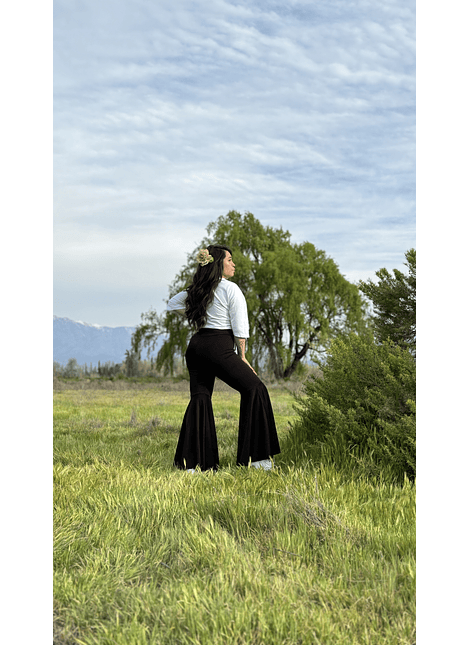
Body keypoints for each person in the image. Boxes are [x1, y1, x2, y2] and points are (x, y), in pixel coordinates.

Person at [167, 244, 280, 472]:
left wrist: (196, 313)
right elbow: (240, 327)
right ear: (218, 263)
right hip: (219, 345)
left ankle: (195, 465)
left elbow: (172, 303)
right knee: (255, 388)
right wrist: (243, 356)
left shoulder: (198, 289)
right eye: (229, 260)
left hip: (197, 346)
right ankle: (257, 461)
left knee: (200, 397)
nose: (233, 264)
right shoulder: (231, 289)